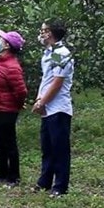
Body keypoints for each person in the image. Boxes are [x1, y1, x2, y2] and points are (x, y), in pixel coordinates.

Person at [31, 22, 74, 198]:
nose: (41, 34)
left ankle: (60, 187)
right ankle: (45, 181)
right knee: (47, 147)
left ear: (51, 33)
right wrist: (39, 99)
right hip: (48, 108)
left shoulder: (61, 54)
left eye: (44, 31)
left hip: (58, 109)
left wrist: (42, 102)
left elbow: (57, 82)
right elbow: (47, 79)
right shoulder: (49, 53)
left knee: (59, 149)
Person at [0, 29, 28, 188]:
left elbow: (21, 90)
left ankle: (14, 177)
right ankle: (2, 175)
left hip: (7, 110)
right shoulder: (1, 61)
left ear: (6, 45)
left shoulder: (12, 66)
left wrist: (17, 104)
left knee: (9, 142)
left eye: (1, 40)